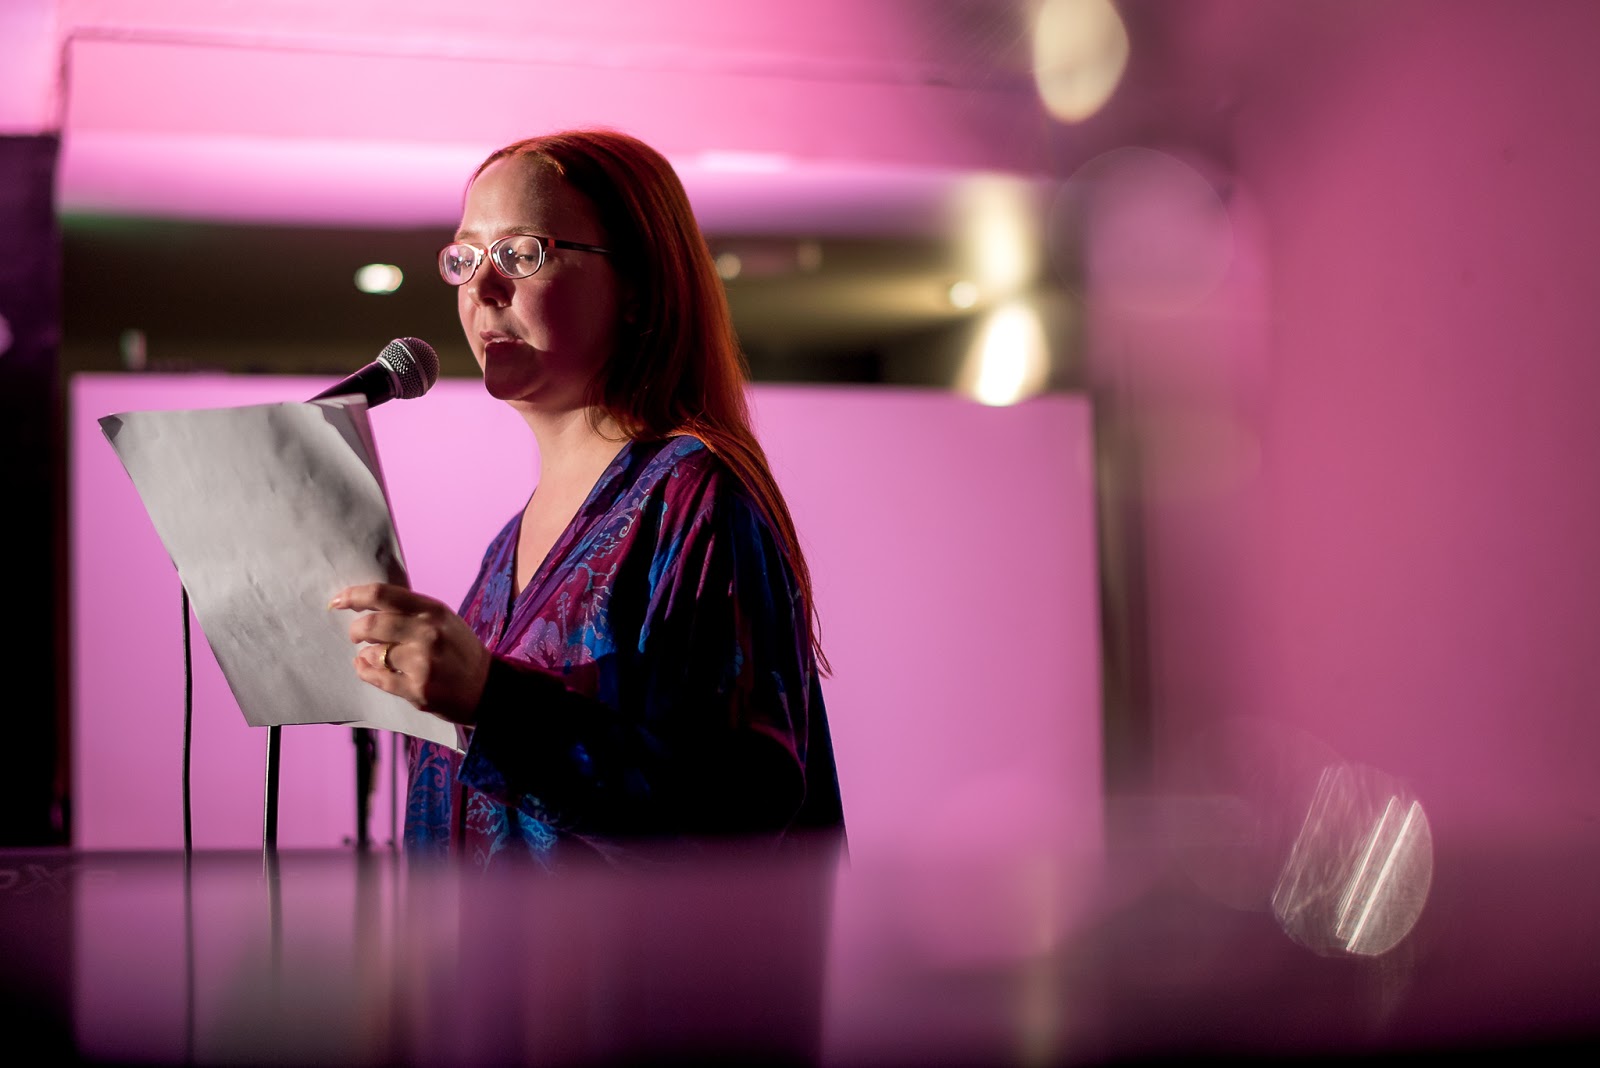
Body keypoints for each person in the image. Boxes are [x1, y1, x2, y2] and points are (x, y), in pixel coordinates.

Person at [327, 129, 845, 869]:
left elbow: (736, 810)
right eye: (465, 258)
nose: (481, 288)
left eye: (520, 253)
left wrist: (492, 700)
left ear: (637, 289)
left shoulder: (695, 498)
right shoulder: (506, 547)